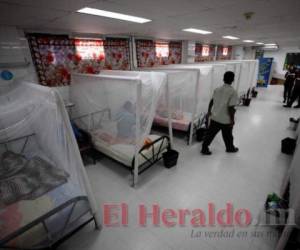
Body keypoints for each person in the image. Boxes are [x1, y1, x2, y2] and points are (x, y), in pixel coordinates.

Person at [201, 71, 239, 155]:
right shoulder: (233, 92)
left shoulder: (217, 89)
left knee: (210, 134)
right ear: (233, 80)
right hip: (225, 120)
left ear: (223, 79)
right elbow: (231, 108)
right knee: (228, 136)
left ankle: (204, 148)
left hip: (215, 117)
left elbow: (211, 101)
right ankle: (230, 148)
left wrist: (209, 111)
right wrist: (232, 120)